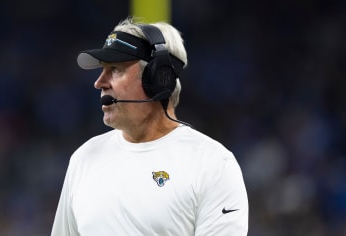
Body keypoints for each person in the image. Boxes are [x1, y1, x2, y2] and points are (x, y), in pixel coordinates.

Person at [51, 17, 248, 236]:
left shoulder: (213, 164)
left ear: (158, 78)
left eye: (115, 69)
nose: (99, 82)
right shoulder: (84, 158)